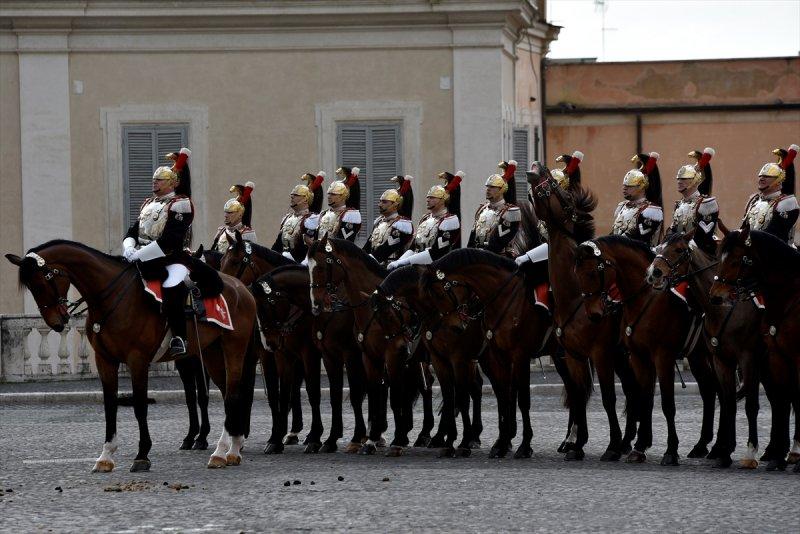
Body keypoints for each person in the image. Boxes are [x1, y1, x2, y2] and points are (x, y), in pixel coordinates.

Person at [122, 148, 193, 357]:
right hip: (144, 257)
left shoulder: (181, 204)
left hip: (171, 258)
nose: (155, 182)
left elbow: (170, 240)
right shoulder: (148, 203)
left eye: (160, 180)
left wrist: (139, 254)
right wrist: (129, 247)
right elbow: (133, 231)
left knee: (172, 285)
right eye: (154, 179)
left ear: (172, 183)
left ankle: (179, 337)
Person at [388, 171, 462, 269]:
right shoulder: (425, 219)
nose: (427, 200)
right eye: (428, 197)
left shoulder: (450, 221)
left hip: (438, 268)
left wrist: (405, 262)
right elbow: (413, 247)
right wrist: (399, 262)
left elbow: (437, 252)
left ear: (443, 200)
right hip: (418, 266)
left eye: (432, 198)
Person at [742, 144, 798, 246]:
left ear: (779, 180)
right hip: (751, 250)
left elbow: (775, 234)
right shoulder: (754, 200)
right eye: (761, 176)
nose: (762, 179)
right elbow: (744, 228)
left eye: (767, 176)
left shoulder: (786, 202)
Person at [665, 148, 718, 255]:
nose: (679, 182)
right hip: (679, 252)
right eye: (678, 178)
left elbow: (704, 235)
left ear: (695, 180)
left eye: (684, 179)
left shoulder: (706, 204)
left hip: (700, 253)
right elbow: (673, 230)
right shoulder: (679, 204)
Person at [467, 161, 521, 257]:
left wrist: (480, 256)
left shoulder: (510, 212)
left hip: (499, 258)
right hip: (478, 257)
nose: (488, 189)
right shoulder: (482, 209)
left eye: (492, 187)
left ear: (502, 189)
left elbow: (499, 242)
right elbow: (472, 238)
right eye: (487, 186)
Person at [611, 151, 663, 247]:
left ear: (641, 186)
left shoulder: (650, 210)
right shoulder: (622, 206)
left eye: (629, 186)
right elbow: (613, 233)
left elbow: (641, 241)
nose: (624, 188)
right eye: (624, 185)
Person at [271, 172, 324, 261]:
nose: (292, 197)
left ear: (305, 199)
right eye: (292, 194)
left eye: (296, 195)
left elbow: (306, 248)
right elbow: (278, 245)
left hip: (301, 263)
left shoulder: (311, 219)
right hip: (283, 261)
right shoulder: (287, 218)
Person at [363, 176, 414, 266]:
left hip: (392, 267)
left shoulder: (401, 224)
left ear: (396, 204)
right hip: (374, 265)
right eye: (380, 201)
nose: (379, 204)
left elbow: (388, 248)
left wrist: (368, 261)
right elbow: (368, 245)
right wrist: (359, 257)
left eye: (384, 202)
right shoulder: (380, 222)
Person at [317, 166, 362, 241]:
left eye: (333, 194)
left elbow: (344, 241)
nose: (329, 197)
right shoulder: (323, 214)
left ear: (343, 196)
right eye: (329, 194)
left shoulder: (350, 215)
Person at [211, 182, 256, 254]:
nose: (226, 215)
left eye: (230, 212)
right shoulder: (221, 231)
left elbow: (251, 256)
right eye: (226, 212)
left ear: (240, 214)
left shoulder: (247, 233)